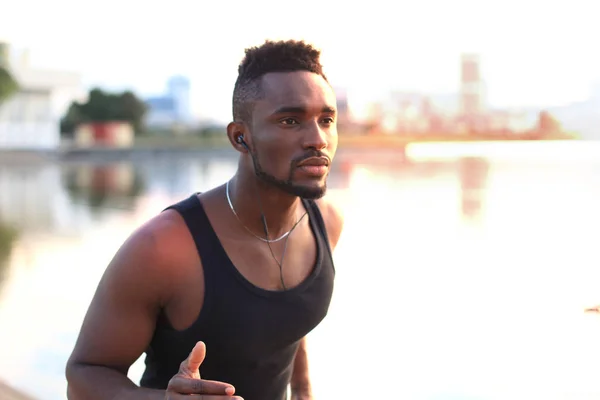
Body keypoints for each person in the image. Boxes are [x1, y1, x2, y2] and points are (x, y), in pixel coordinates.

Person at [65, 39, 344, 400]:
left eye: (327, 120)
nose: (317, 139)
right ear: (241, 137)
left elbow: (288, 325)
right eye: (290, 121)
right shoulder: (164, 248)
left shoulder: (326, 221)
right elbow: (83, 377)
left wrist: (303, 391)